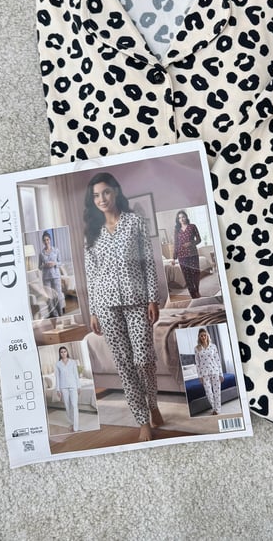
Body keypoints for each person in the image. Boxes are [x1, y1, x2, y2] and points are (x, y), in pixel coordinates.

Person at [83, 172, 163, 442]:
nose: (102, 199)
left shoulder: (135, 222)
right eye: (96, 195)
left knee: (144, 361)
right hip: (106, 306)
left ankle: (153, 403)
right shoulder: (92, 233)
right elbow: (91, 276)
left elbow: (148, 263)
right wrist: (94, 311)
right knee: (125, 365)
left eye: (105, 192)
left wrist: (153, 298)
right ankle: (143, 421)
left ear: (115, 191)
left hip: (137, 300)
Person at [172, 210, 202, 298]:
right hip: (182, 256)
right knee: (187, 276)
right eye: (179, 218)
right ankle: (193, 295)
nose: (181, 219)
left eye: (183, 217)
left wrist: (191, 243)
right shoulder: (177, 230)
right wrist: (174, 258)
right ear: (178, 220)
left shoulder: (192, 226)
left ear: (186, 217)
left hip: (193, 254)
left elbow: (199, 240)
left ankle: (197, 290)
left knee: (196, 273)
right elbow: (176, 244)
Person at [194, 328, 224, 415]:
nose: (203, 337)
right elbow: (197, 363)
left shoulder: (213, 346)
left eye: (205, 335)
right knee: (208, 392)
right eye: (201, 336)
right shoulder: (197, 348)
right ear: (199, 337)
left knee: (217, 392)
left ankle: (217, 410)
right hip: (204, 374)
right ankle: (214, 408)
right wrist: (199, 376)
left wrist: (221, 374)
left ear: (207, 336)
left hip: (215, 371)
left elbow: (218, 360)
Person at [38, 231, 65, 316]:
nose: (46, 241)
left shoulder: (56, 250)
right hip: (46, 278)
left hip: (56, 276)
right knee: (49, 297)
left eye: (47, 239)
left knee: (58, 295)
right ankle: (54, 315)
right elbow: (39, 267)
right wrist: (44, 265)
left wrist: (55, 263)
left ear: (50, 240)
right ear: (43, 241)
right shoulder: (41, 253)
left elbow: (60, 262)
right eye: (44, 240)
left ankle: (60, 313)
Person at [55, 346, 80, 432]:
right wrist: (58, 389)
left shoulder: (73, 362)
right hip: (63, 387)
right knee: (67, 406)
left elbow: (76, 375)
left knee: (74, 405)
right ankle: (72, 422)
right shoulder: (58, 364)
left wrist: (78, 386)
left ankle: (75, 427)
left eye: (65, 351)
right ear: (60, 353)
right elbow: (57, 377)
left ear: (67, 352)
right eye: (61, 352)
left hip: (73, 386)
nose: (63, 353)